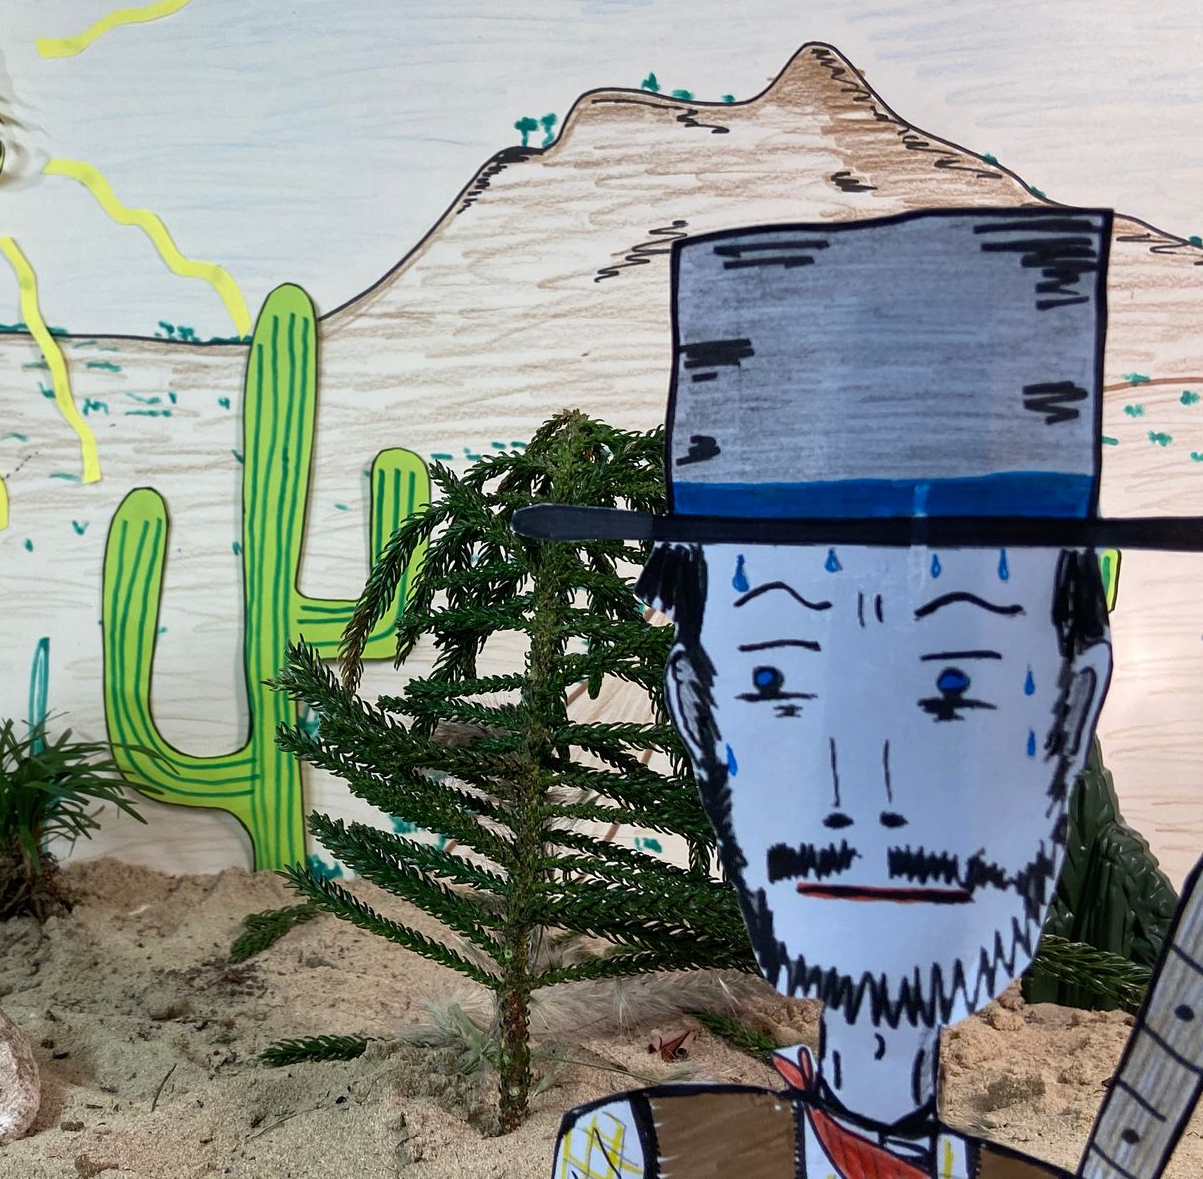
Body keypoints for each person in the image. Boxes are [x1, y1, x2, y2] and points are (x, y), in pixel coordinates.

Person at [513, 208, 1203, 1179]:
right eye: (775, 680)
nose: (866, 793)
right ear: (700, 715)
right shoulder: (635, 1160)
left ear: (1070, 712)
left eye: (954, 684)